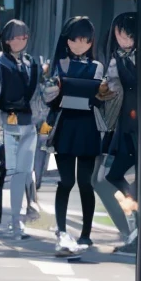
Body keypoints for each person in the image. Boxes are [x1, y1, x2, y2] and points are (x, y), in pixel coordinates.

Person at [45, 15, 109, 256]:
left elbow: (98, 95)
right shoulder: (59, 64)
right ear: (67, 40)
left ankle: (86, 234)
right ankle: (61, 230)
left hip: (88, 126)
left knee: (85, 182)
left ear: (91, 42)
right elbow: (50, 95)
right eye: (75, 39)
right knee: (66, 181)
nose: (79, 44)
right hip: (65, 126)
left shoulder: (97, 66)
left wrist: (69, 88)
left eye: (85, 40)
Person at [0, 19, 46, 240]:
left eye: (24, 36)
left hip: (27, 123)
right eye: (17, 36)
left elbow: (38, 95)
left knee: (22, 173)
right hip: (2, 122)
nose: (21, 40)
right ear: (7, 39)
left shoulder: (31, 63)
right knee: (5, 173)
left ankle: (16, 222)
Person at [95, 9, 139, 250]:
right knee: (111, 176)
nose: (124, 40)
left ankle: (136, 228)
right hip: (124, 126)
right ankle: (135, 222)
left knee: (118, 177)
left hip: (139, 127)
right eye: (120, 35)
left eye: (128, 36)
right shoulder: (116, 59)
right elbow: (111, 91)